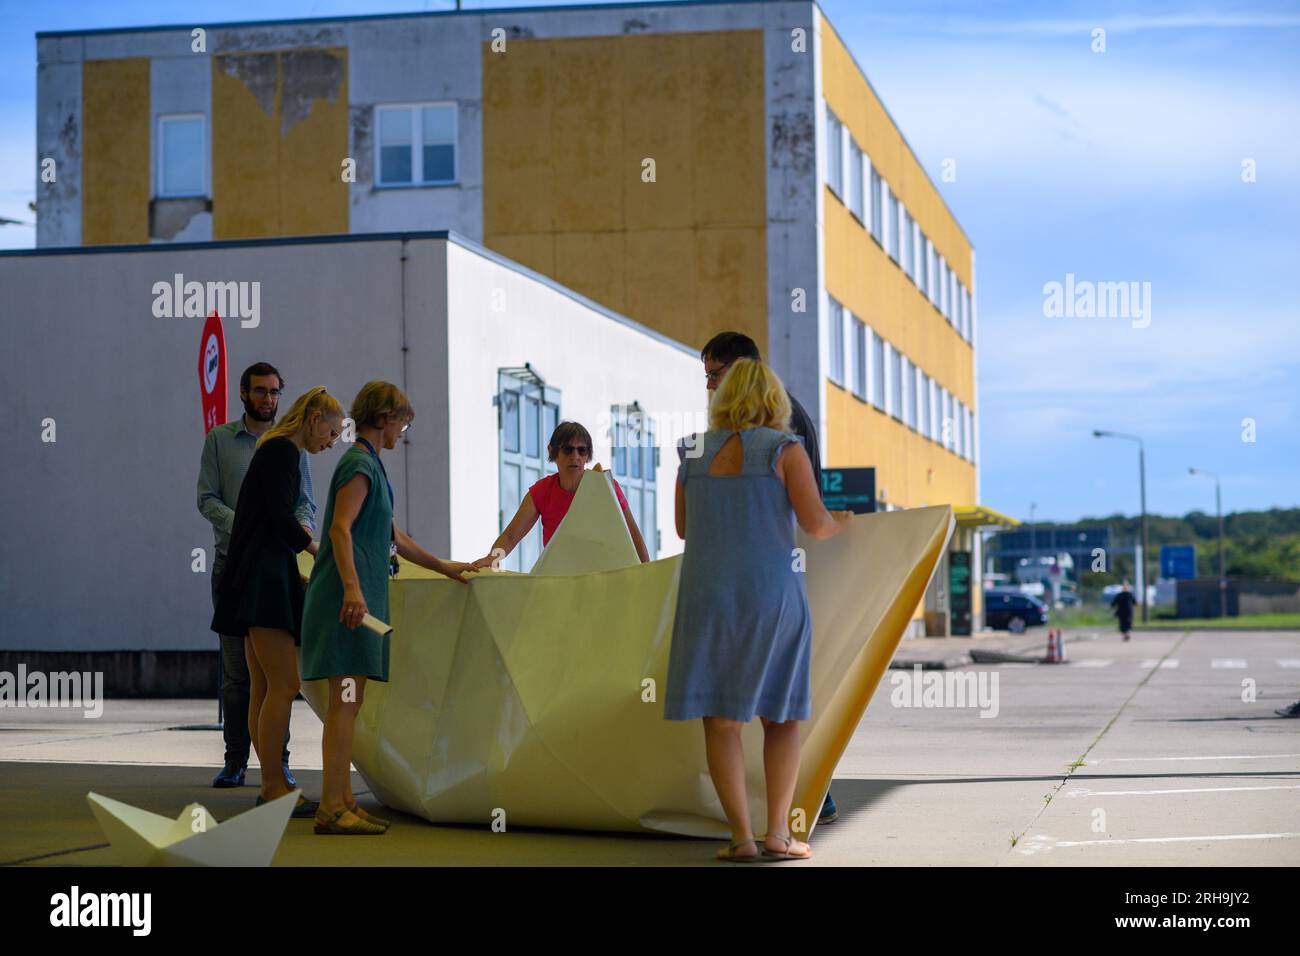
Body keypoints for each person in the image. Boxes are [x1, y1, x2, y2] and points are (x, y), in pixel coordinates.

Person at [665, 358, 851, 862]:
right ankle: (778, 834)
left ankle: (740, 838)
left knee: (721, 722)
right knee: (781, 717)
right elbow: (815, 525)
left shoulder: (691, 451)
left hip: (707, 599)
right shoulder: (785, 450)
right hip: (771, 598)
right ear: (773, 399)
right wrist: (845, 523)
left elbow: (683, 528)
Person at [301, 381, 475, 835]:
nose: (404, 430)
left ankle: (340, 801)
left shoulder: (371, 466)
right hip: (347, 603)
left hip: (356, 600)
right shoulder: (359, 463)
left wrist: (444, 567)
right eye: (402, 421)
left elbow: (394, 537)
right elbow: (340, 530)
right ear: (384, 417)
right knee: (344, 704)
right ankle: (332, 808)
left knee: (350, 703)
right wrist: (354, 591)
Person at [701, 331, 839, 825]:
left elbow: (801, 509)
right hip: (777, 578)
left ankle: (790, 808)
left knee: (745, 712)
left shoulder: (774, 426)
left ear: (739, 371)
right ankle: (788, 816)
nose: (710, 386)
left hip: (763, 577)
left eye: (715, 375)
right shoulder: (772, 422)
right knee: (778, 707)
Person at [211, 387, 344, 817]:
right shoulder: (285, 451)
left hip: (254, 574)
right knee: (284, 686)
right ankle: (272, 786)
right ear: (314, 417)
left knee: (264, 688)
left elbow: (271, 514)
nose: (331, 441)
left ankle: (272, 782)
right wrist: (316, 549)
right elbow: (278, 514)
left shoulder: (274, 449)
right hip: (265, 577)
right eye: (332, 431)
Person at [197, 362, 318, 789]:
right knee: (238, 675)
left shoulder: (290, 447)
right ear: (244, 394)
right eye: (260, 391)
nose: (268, 398)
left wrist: (297, 532)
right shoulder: (221, 441)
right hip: (235, 564)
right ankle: (236, 761)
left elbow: (304, 503)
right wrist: (250, 529)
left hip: (276, 563)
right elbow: (206, 499)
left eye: (274, 392)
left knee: (272, 680)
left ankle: (276, 765)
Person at [473, 421, 650, 569]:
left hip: (603, 580)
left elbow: (633, 535)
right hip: (560, 583)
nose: (576, 456)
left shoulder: (605, 486)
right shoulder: (542, 491)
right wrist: (492, 559)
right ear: (552, 451)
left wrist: (648, 574)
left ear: (588, 455)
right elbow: (512, 535)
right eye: (568, 449)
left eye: (582, 451)